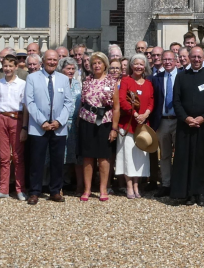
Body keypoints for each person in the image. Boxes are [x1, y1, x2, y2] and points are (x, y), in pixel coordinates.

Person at [171, 46, 204, 206]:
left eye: (199, 57)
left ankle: (202, 193)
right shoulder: (181, 76)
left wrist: (203, 118)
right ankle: (188, 193)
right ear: (189, 58)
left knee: (203, 158)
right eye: (194, 57)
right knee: (186, 159)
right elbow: (176, 101)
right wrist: (186, 118)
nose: (197, 59)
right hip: (185, 126)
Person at [25, 49, 73, 205]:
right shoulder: (32, 78)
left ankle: (55, 191)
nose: (52, 62)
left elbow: (68, 102)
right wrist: (42, 121)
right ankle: (34, 192)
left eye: (54, 60)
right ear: (43, 61)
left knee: (57, 160)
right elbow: (29, 102)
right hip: (39, 127)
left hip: (58, 127)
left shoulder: (63, 79)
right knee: (36, 160)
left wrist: (59, 121)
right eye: (49, 59)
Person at [77, 51, 119, 202]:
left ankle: (103, 188)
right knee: (87, 157)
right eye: (94, 63)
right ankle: (87, 189)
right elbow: (82, 102)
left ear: (105, 65)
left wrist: (114, 129)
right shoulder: (87, 81)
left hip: (105, 122)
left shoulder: (111, 82)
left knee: (103, 157)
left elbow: (116, 107)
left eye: (99, 63)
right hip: (87, 121)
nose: (96, 65)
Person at [117, 54, 154, 198]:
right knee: (127, 156)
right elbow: (122, 99)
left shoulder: (148, 83)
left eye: (141, 64)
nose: (139, 67)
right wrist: (135, 114)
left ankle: (137, 185)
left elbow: (151, 101)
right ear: (131, 66)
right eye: (136, 64)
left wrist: (146, 114)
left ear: (145, 67)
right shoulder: (126, 80)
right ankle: (129, 186)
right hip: (128, 124)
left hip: (142, 126)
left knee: (140, 157)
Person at [0, 54, 26, 201]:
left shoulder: (22, 84)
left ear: (16, 67)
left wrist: (24, 127)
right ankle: (3, 189)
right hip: (1, 118)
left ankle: (20, 189)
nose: (8, 68)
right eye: (5, 66)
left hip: (17, 118)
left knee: (18, 156)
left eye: (11, 66)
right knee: (3, 156)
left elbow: (25, 107)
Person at [150, 50, 179, 198]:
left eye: (170, 59)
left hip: (179, 121)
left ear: (175, 60)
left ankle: (179, 184)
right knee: (165, 155)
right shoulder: (157, 78)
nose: (167, 62)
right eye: (165, 59)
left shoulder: (182, 76)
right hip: (162, 121)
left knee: (179, 154)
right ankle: (166, 184)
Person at [60, 57, 83, 193]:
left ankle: (77, 185)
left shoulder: (77, 84)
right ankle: (59, 185)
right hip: (60, 123)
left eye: (73, 68)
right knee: (60, 155)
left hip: (75, 124)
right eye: (68, 68)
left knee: (76, 155)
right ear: (62, 69)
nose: (71, 71)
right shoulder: (58, 82)